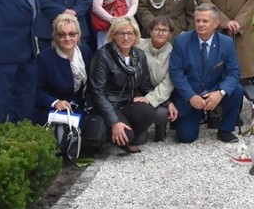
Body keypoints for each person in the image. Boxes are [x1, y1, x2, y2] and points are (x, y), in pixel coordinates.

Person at [169, 4, 243, 144]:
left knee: (237, 90)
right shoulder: (181, 41)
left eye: (205, 21)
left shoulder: (226, 42)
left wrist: (220, 92)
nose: (200, 24)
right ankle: (196, 116)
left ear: (216, 23)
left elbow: (234, 71)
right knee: (186, 137)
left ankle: (225, 129)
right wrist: (190, 96)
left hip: (214, 87)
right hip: (190, 92)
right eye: (198, 21)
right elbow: (176, 72)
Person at [87, 16, 158, 153]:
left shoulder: (139, 55)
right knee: (130, 137)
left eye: (130, 33)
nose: (126, 38)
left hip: (127, 103)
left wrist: (162, 101)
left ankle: (124, 133)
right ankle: (112, 134)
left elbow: (145, 85)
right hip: (107, 105)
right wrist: (114, 121)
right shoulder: (103, 55)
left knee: (148, 111)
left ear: (136, 36)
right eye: (121, 33)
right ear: (113, 35)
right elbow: (98, 93)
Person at [34, 13, 92, 125]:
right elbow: (35, 90)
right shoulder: (45, 58)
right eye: (61, 35)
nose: (67, 38)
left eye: (72, 34)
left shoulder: (85, 52)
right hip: (53, 110)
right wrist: (54, 102)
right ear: (54, 36)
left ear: (79, 35)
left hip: (78, 105)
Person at [137, 16, 179, 142]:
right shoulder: (138, 45)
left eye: (164, 30)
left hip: (161, 94)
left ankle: (160, 126)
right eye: (156, 29)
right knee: (140, 140)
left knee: (160, 114)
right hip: (138, 93)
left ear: (170, 34)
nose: (160, 32)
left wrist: (150, 99)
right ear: (150, 31)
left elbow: (167, 84)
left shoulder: (174, 53)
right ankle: (140, 126)